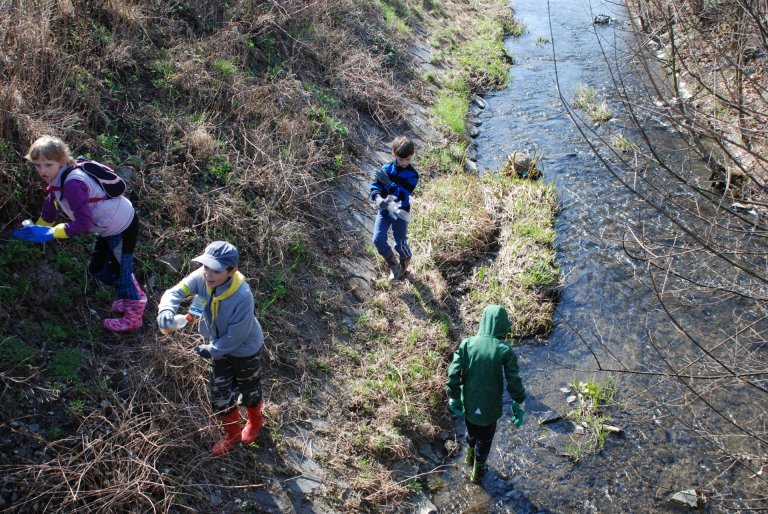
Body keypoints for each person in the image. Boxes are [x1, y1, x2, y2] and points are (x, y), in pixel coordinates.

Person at [13, 135, 145, 332]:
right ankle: (127, 289)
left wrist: (51, 233)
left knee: (120, 273)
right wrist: (38, 228)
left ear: (62, 161)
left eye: (48, 165)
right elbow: (52, 204)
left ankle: (134, 314)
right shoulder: (60, 178)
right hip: (108, 227)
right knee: (97, 269)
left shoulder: (73, 184)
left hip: (122, 225)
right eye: (37, 165)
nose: (42, 171)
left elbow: (83, 223)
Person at [157, 241, 265, 457]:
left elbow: (238, 334)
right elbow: (176, 292)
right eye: (206, 267)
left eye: (215, 270)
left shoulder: (242, 295)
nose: (208, 274)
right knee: (219, 394)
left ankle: (255, 421)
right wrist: (167, 309)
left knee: (249, 388)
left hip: (245, 350)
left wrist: (212, 349)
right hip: (218, 349)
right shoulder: (202, 277)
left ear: (231, 271)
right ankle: (233, 435)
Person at [446, 304, 526, 483]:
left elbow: (453, 372)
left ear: (483, 321)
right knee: (486, 439)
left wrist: (454, 396)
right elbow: (514, 381)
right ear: (503, 325)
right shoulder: (504, 349)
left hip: (469, 403)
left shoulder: (467, 343)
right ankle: (477, 473)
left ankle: (469, 456)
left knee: (472, 430)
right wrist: (519, 403)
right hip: (490, 409)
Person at [369, 135, 419, 280]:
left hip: (400, 212)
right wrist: (378, 200)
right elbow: (374, 188)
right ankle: (394, 266)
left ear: (412, 156)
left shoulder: (412, 175)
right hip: (384, 211)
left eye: (407, 159)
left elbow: (403, 195)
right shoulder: (385, 169)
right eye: (401, 159)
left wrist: (389, 184)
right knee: (378, 240)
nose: (404, 162)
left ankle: (404, 267)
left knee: (400, 243)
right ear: (394, 154)